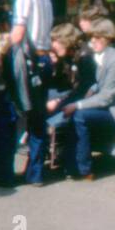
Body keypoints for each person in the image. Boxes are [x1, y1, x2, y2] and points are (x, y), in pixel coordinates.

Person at [0, 0, 53, 186]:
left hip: (25, 65)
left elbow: (17, 35)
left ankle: (1, 174)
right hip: (44, 62)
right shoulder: (45, 0)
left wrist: (1, 50)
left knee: (6, 117)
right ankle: (35, 174)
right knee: (37, 118)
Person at [60, 19, 115, 180]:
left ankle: (83, 169)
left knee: (80, 115)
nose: (93, 41)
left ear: (108, 38)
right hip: (112, 107)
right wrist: (91, 91)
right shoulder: (105, 56)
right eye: (92, 37)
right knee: (78, 114)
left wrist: (77, 105)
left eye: (98, 37)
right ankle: (72, 166)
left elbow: (107, 97)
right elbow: (102, 85)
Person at [44, 23, 94, 168]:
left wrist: (59, 102)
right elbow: (61, 83)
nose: (53, 45)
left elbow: (84, 89)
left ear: (66, 40)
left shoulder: (85, 57)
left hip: (85, 99)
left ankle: (52, 147)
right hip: (73, 94)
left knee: (52, 119)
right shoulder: (66, 56)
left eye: (56, 41)